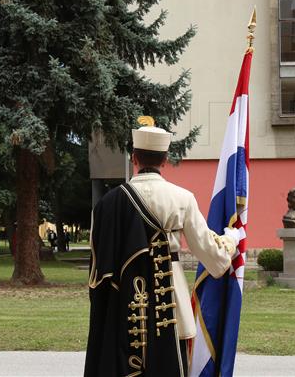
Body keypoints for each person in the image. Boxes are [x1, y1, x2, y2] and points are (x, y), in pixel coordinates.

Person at [85, 118, 239, 377]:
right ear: (165, 160)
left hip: (121, 303)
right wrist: (232, 237)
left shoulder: (107, 203)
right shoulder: (182, 198)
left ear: (134, 158)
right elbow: (214, 257)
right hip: (171, 304)